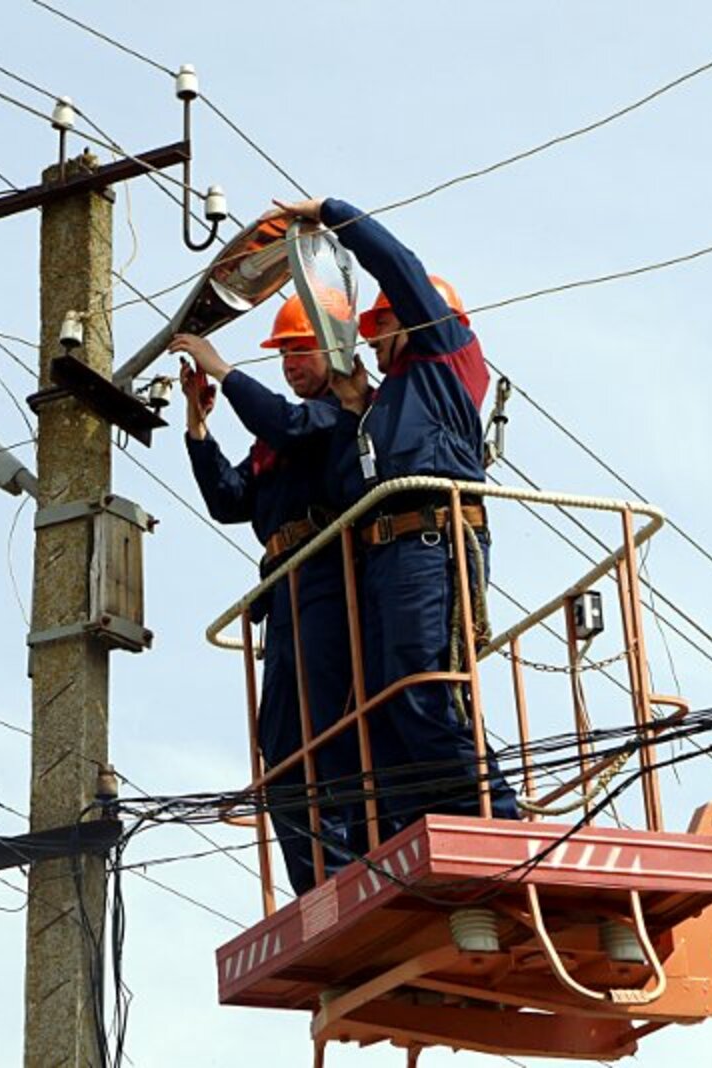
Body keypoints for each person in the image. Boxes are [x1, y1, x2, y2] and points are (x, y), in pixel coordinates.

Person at [266, 197, 519, 836]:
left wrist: (332, 213)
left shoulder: (445, 357)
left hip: (430, 539)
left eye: (380, 329)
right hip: (386, 553)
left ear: (408, 322)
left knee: (420, 685)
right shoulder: (389, 402)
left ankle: (494, 819)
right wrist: (353, 406)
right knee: (382, 702)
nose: (372, 344)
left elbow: (400, 266)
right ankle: (418, 821)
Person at [170, 296, 363, 894]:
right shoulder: (279, 440)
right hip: (286, 590)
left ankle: (347, 872)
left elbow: (282, 420)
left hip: (329, 581)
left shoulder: (336, 418)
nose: (288, 363)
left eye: (298, 350)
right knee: (280, 746)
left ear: (332, 351)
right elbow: (231, 501)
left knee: (327, 734)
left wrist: (223, 371)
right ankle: (319, 887)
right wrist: (198, 425)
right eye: (282, 353)